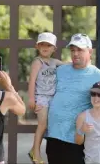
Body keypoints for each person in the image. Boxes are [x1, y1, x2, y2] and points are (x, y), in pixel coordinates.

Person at [37, 33, 100, 164]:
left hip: (77, 140)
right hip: (54, 136)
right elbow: (41, 81)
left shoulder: (98, 75)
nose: (75, 53)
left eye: (80, 50)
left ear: (90, 51)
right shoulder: (61, 70)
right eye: (72, 50)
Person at [28, 32, 63, 164]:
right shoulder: (38, 62)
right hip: (41, 97)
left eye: (48, 45)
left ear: (54, 48)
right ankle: (36, 153)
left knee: (47, 125)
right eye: (42, 44)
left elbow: (67, 64)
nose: (45, 47)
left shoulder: (54, 62)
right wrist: (31, 98)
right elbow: (31, 80)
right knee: (42, 124)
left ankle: (33, 150)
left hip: (52, 98)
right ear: (37, 46)